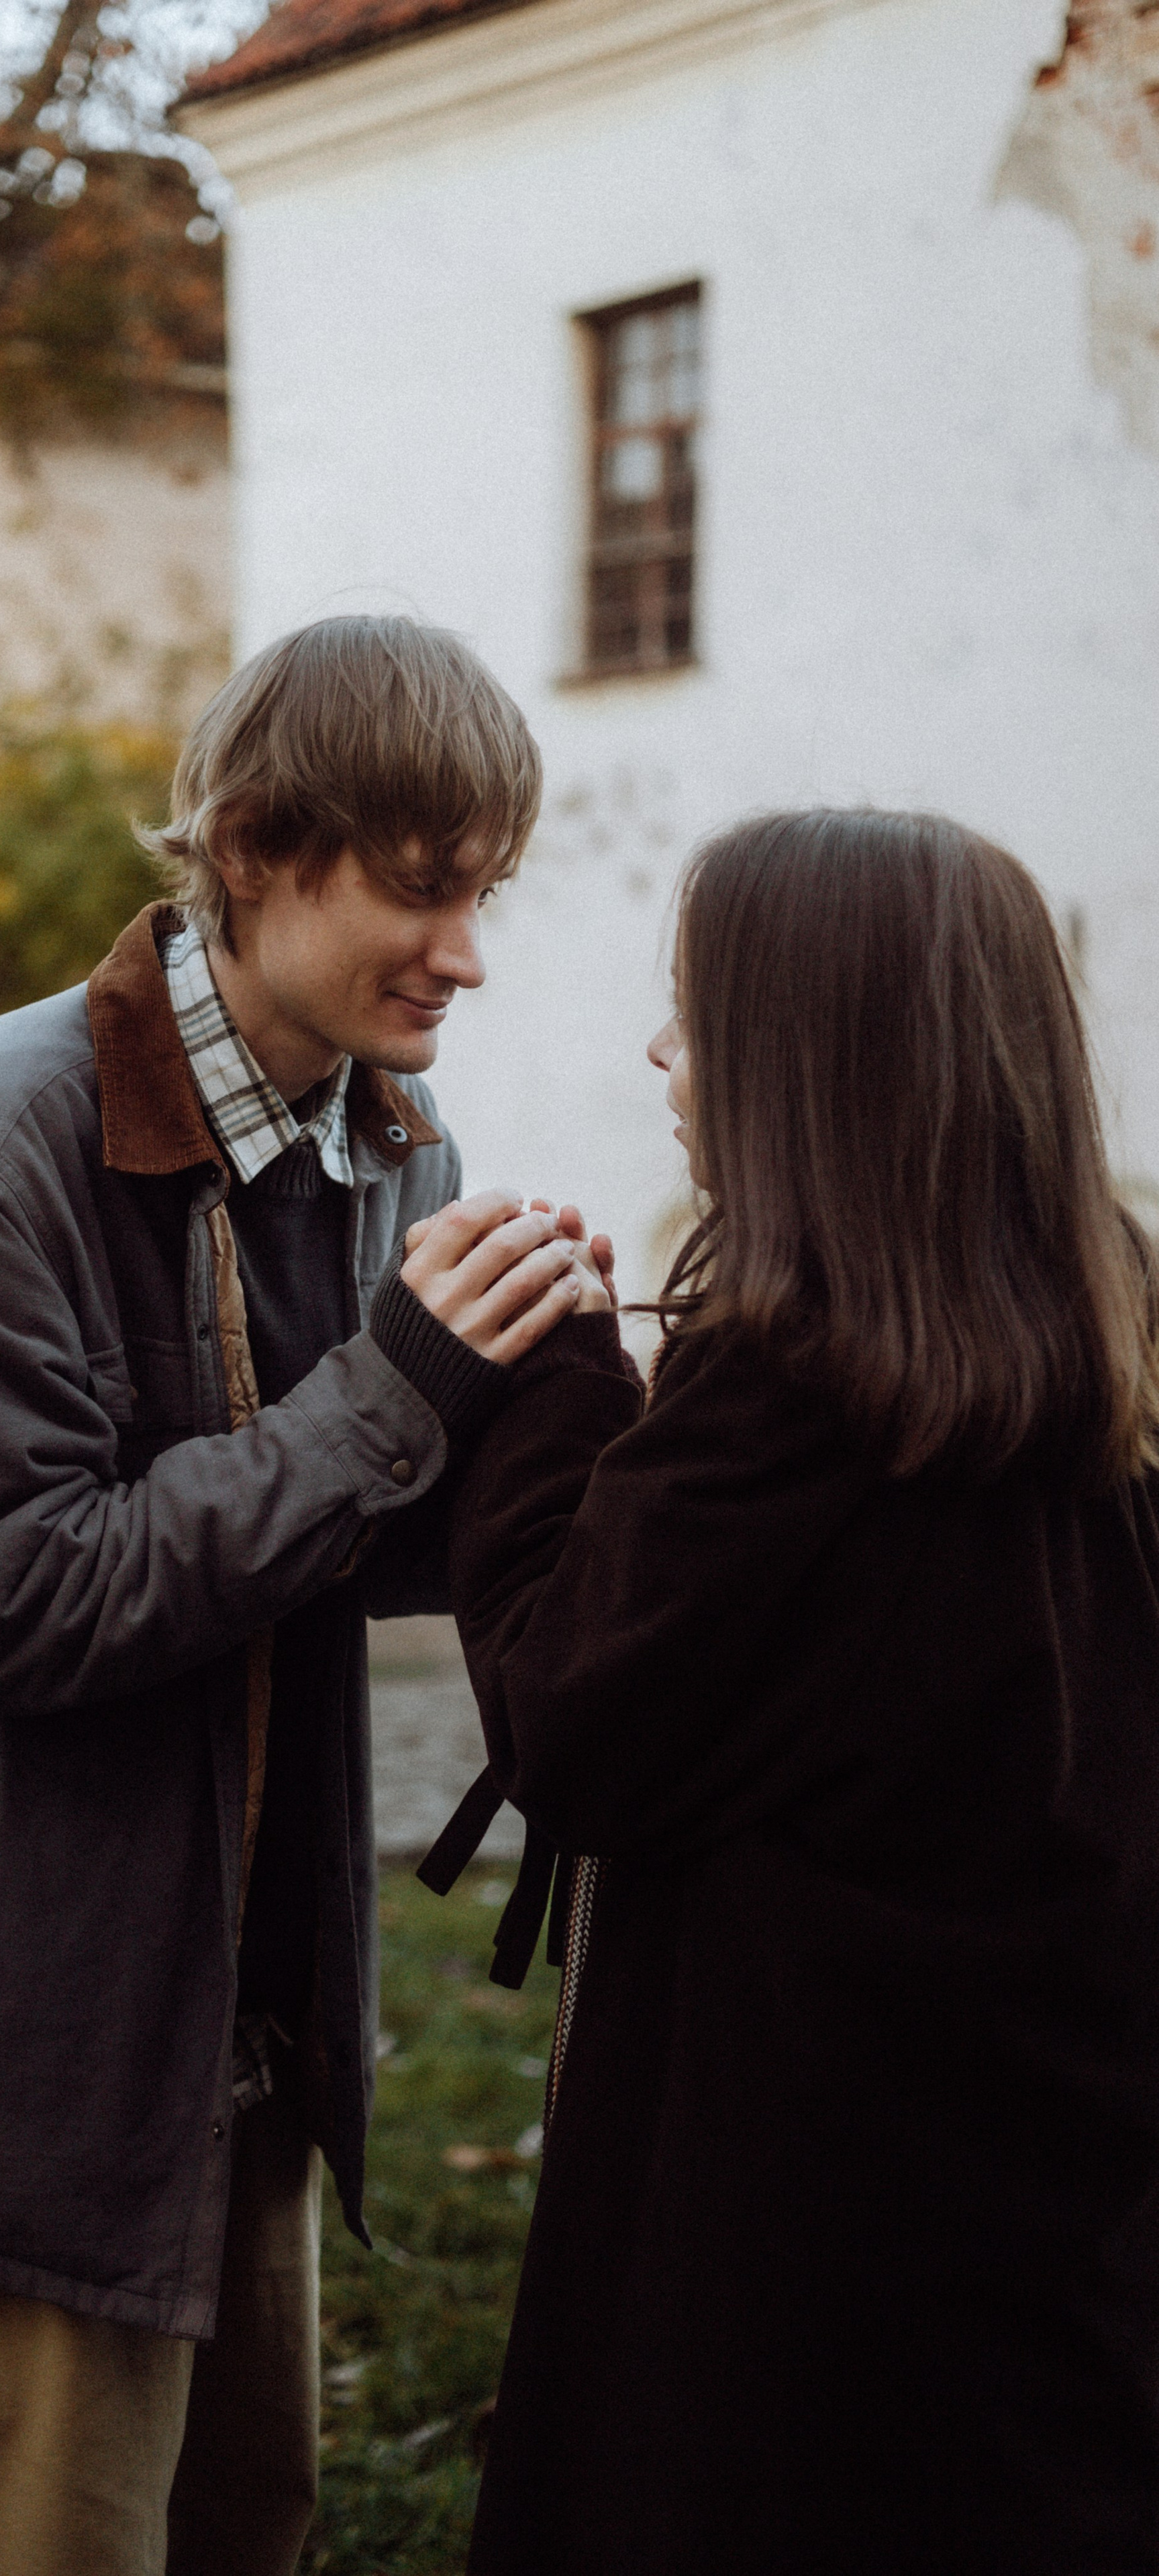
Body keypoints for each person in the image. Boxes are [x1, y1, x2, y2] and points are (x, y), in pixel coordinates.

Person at [0, 614, 593, 2576]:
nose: (470, 954)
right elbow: (20, 1602)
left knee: (231, 2527)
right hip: (5, 2033)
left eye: (484, 890)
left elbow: (340, 1523)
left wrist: (559, 1427)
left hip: (228, 2019)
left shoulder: (385, 1136)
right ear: (251, 850)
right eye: (422, 890)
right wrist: (396, 1399)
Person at [433, 808, 1159, 2573]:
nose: (665, 1059)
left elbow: (572, 1720)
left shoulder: (789, 1398)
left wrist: (548, 1397)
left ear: (811, 1060)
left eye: (696, 1015)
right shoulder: (1090, 1354)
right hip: (1043, 2225)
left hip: (802, 2255)